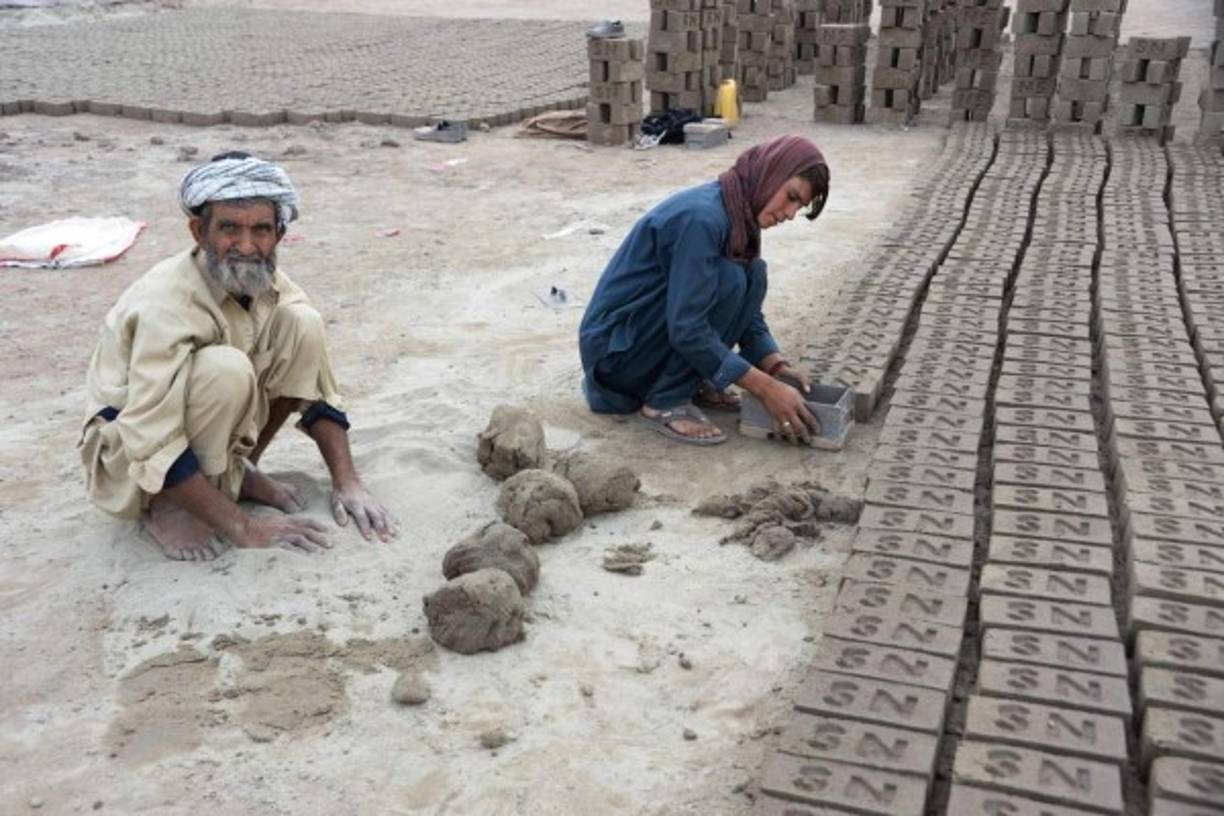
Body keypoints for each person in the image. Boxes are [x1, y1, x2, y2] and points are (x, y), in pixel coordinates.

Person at [80, 152, 396, 561]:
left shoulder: (267, 282)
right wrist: (245, 528)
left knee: (304, 324)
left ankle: (233, 474)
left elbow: (318, 389)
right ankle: (168, 505)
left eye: (261, 230)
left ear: (279, 235)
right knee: (224, 370)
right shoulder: (166, 304)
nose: (246, 246)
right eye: (229, 228)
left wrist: (348, 482)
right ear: (199, 231)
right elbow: (149, 435)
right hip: (128, 453)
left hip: (189, 437)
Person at [578, 135, 830, 446]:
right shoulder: (702, 219)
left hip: (644, 339)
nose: (790, 214)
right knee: (730, 279)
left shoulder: (739, 218)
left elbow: (747, 314)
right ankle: (665, 401)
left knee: (752, 274)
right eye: (790, 197)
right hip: (615, 355)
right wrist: (764, 388)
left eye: (799, 207)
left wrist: (775, 366)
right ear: (771, 174)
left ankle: (690, 378)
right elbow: (687, 328)